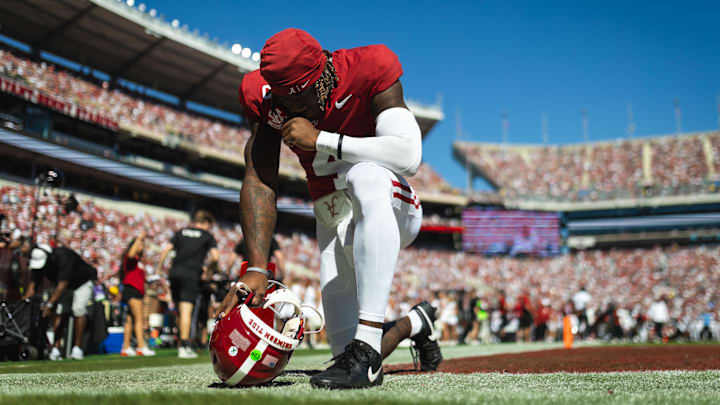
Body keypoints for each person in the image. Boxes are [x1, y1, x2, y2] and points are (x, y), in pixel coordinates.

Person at [215, 28, 441, 389]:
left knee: (364, 176)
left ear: (321, 78)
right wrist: (257, 266)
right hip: (333, 216)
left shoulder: (370, 66)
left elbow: (408, 153)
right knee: (345, 352)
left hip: (393, 207)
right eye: (281, 99)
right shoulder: (265, 96)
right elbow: (259, 178)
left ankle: (368, 349)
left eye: (296, 98)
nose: (288, 109)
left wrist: (322, 139)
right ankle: (413, 324)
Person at [158, 210, 219, 358]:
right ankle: (185, 346)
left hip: (175, 273)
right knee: (186, 312)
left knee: (179, 311)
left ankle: (181, 343)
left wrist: (159, 268)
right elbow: (215, 258)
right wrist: (209, 271)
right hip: (191, 275)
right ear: (206, 223)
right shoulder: (207, 236)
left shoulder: (181, 232)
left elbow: (166, 250)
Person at [27, 244, 97, 360]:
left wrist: (49, 304)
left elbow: (62, 285)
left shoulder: (63, 256)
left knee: (78, 309)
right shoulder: (39, 266)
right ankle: (56, 348)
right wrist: (25, 301)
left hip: (82, 282)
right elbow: (33, 285)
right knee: (59, 312)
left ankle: (77, 348)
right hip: (65, 285)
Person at [119, 231, 155, 357]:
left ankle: (126, 347)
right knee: (139, 319)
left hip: (134, 290)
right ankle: (141, 346)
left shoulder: (138, 260)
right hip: (131, 290)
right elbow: (131, 253)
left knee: (129, 320)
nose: (141, 246)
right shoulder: (130, 257)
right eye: (139, 244)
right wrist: (139, 237)